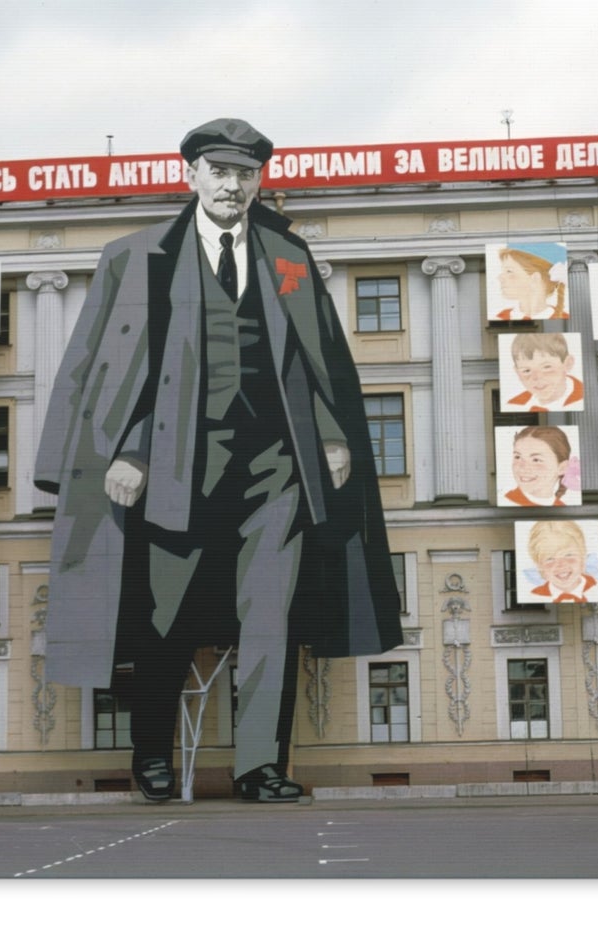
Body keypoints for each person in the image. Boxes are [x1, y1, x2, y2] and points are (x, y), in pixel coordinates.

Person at [35, 117, 400, 804]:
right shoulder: (135, 256)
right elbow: (99, 367)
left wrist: (329, 433)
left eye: (245, 173)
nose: (233, 184)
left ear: (258, 181)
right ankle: (150, 755)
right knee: (163, 620)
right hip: (174, 466)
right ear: (191, 175)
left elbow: (313, 355)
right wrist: (121, 452)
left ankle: (259, 765)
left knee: (271, 617)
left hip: (274, 467)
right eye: (219, 170)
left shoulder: (285, 254)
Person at [504, 332, 583, 411]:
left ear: (568, 364)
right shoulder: (514, 405)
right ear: (517, 373)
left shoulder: (583, 398)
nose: (536, 377)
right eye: (526, 370)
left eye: (547, 367)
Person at [501, 426, 577, 507]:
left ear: (562, 468)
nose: (522, 467)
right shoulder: (507, 502)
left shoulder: (563, 508)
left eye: (536, 460)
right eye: (517, 457)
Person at [526, 521, 598, 603]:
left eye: (568, 555)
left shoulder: (597, 588)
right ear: (539, 566)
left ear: (583, 555)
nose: (561, 565)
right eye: (550, 559)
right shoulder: (535, 597)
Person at [492, 243, 566, 321]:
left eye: (509, 271)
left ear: (535, 278)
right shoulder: (499, 317)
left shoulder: (562, 316)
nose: (500, 277)